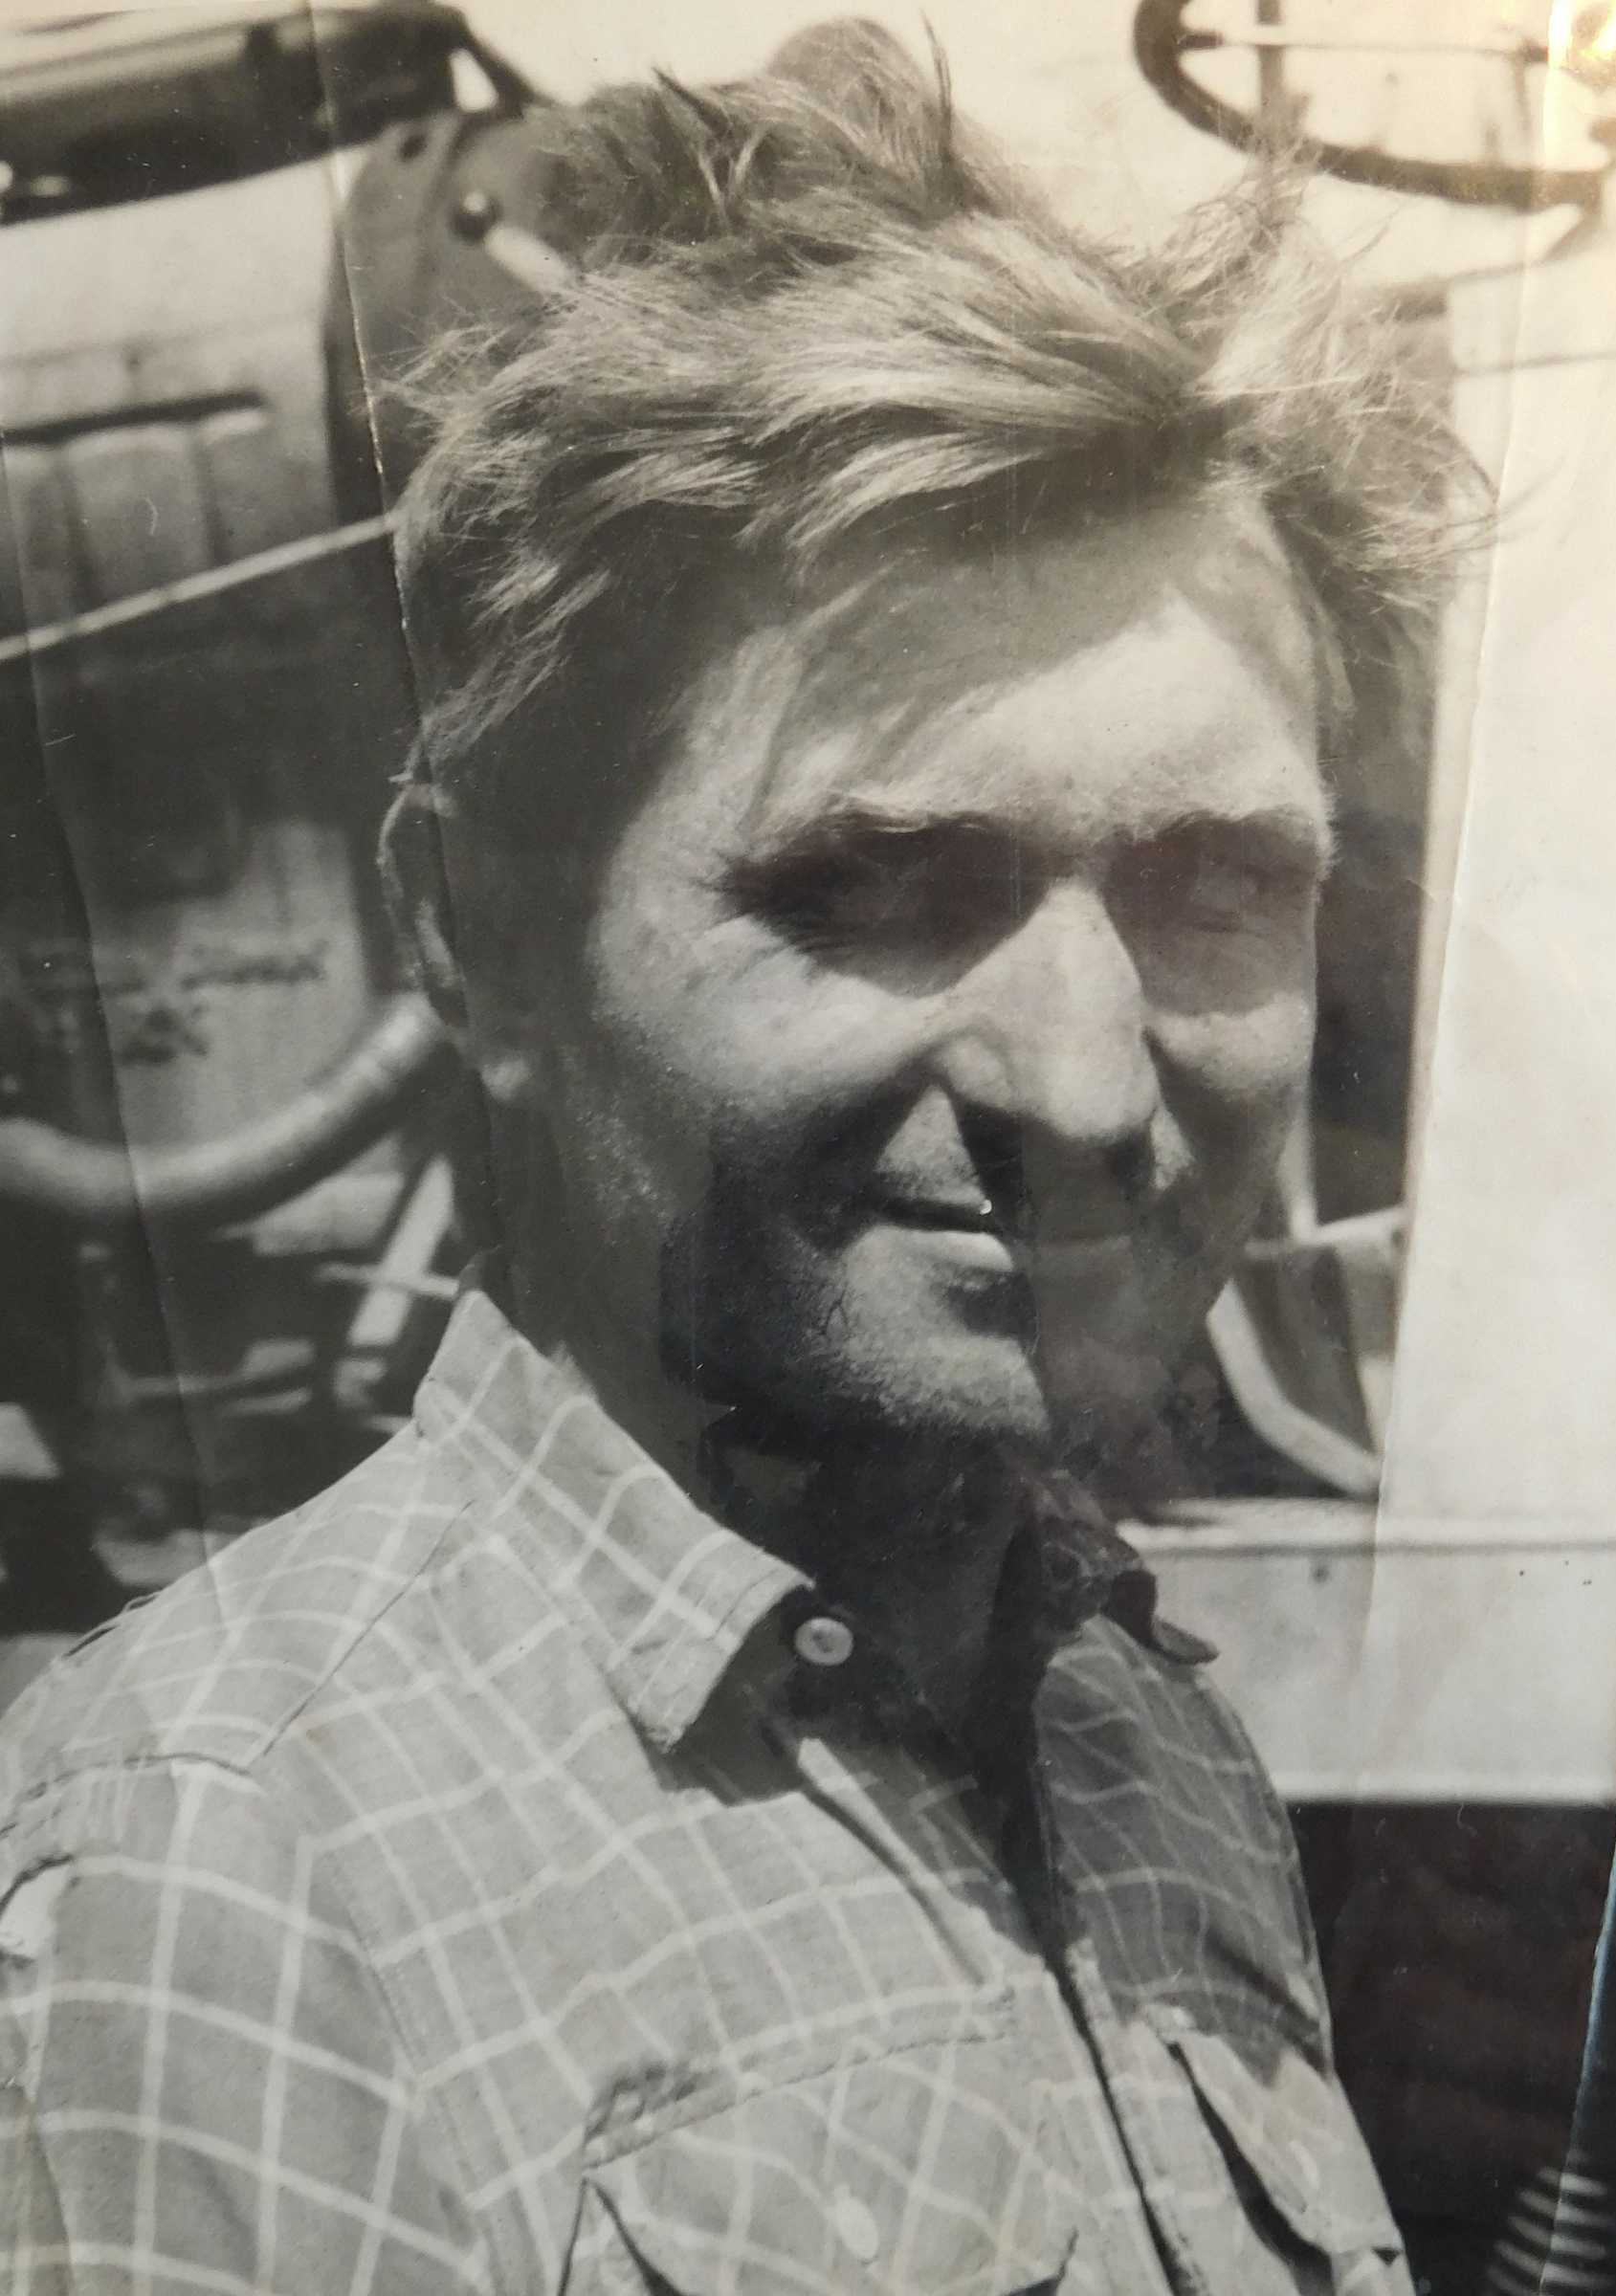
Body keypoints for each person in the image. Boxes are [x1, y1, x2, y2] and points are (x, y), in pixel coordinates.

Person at [0, 24, 1464, 2291]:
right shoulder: (228, 1873)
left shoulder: (1135, 1732)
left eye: (1214, 891)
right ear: (478, 939)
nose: (1085, 1087)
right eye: (876, 890)